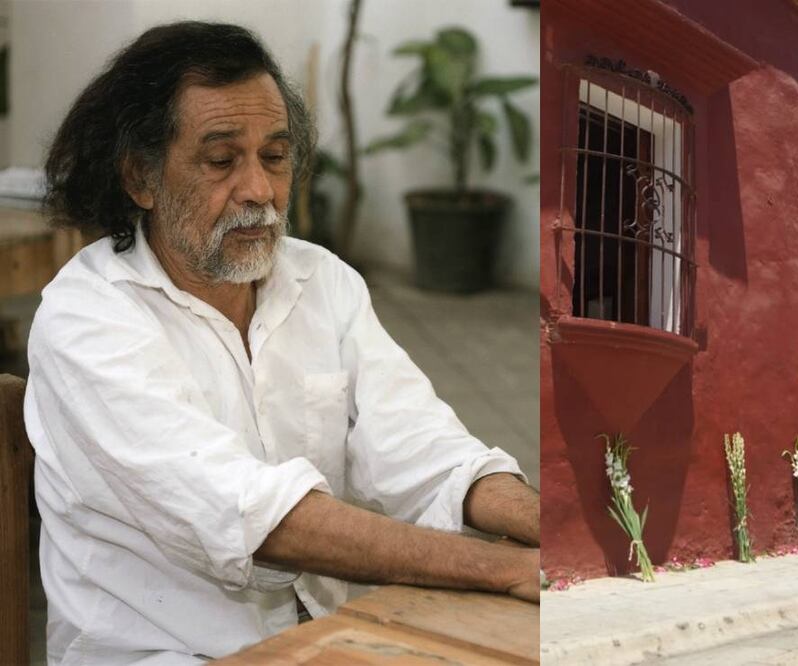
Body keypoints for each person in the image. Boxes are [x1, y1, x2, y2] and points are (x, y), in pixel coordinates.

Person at [26, 21, 539, 665]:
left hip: (321, 636)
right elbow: (255, 516)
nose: (260, 191)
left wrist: (553, 530)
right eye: (220, 161)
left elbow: (422, 449)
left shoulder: (320, 279)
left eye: (274, 156)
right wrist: (503, 570)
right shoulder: (87, 319)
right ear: (141, 178)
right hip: (162, 653)